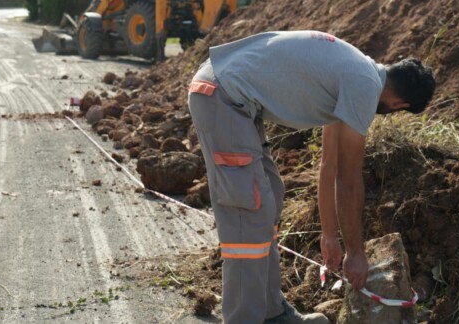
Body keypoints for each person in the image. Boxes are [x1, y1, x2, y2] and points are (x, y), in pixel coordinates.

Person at [187, 31, 436, 323]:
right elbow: (349, 178)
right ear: (400, 106)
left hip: (233, 96)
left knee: (271, 194)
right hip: (222, 95)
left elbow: (329, 165)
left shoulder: (357, 72)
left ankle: (270, 312)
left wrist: (330, 236)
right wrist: (355, 254)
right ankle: (245, 318)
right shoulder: (364, 86)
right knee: (249, 209)